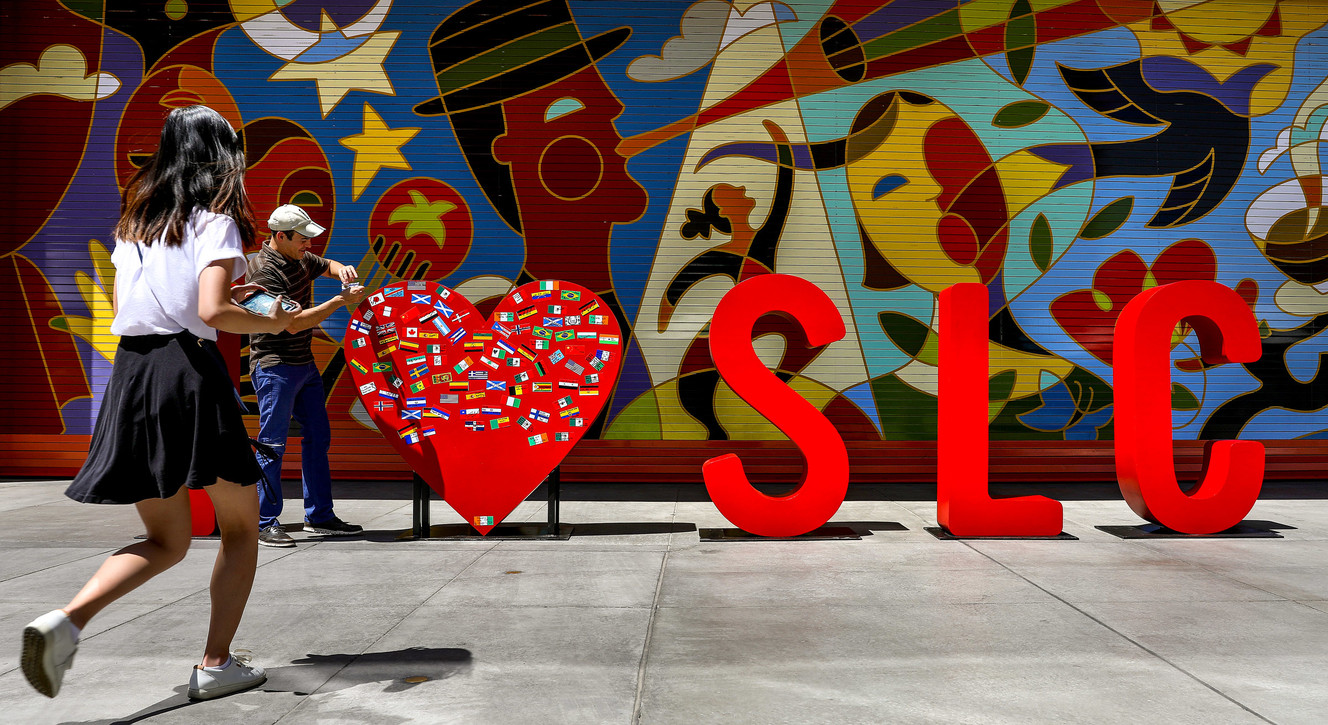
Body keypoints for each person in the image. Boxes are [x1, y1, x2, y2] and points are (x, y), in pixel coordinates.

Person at [21, 105, 297, 700]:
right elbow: (210, 313)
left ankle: (65, 622)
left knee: (167, 540)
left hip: (133, 374)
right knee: (242, 527)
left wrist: (225, 291)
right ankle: (216, 663)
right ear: (222, 154)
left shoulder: (136, 221)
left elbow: (145, 302)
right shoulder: (216, 219)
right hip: (188, 373)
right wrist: (266, 318)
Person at [248, 204, 367, 547]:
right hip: (274, 366)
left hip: (303, 365)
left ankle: (320, 516)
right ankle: (265, 521)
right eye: (303, 239)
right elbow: (293, 323)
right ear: (280, 236)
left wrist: (340, 269)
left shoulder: (297, 256)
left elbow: (323, 264)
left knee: (319, 437)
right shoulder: (264, 272)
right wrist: (340, 301)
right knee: (272, 445)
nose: (309, 246)